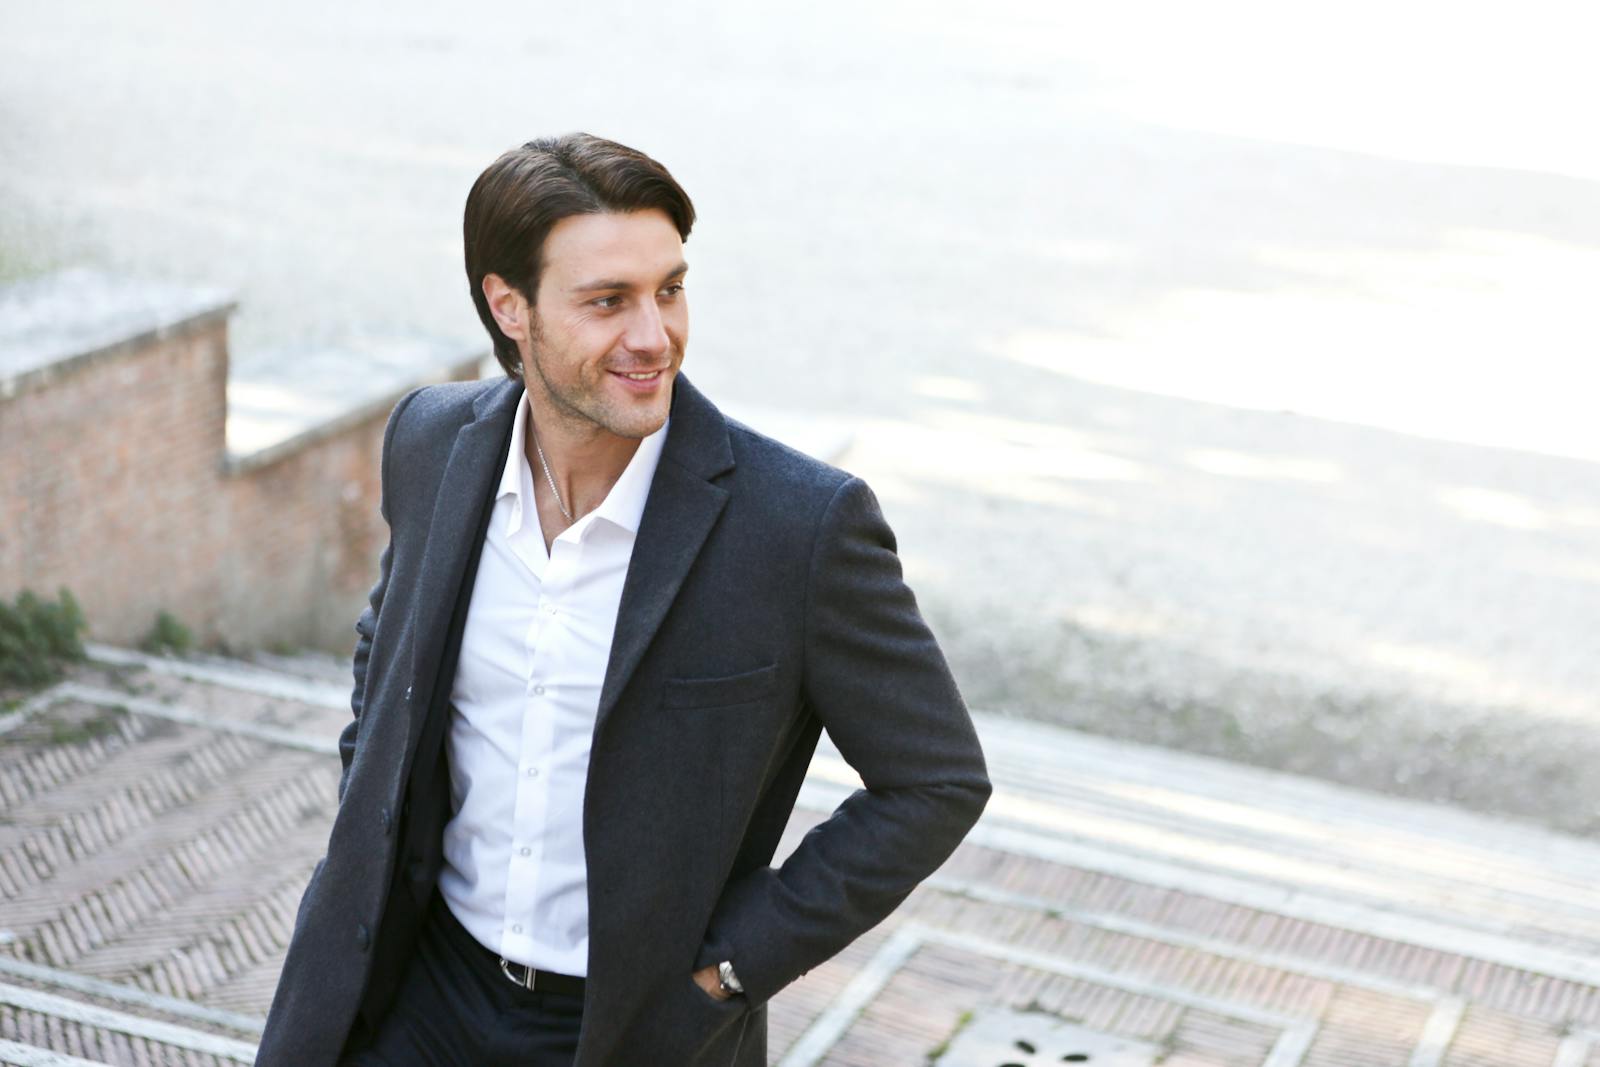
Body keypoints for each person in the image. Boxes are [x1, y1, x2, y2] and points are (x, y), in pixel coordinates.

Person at [256, 132, 991, 1067]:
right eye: (608, 301)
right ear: (508, 305)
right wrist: (373, 820)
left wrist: (731, 970)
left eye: (670, 289)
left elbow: (936, 780)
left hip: (632, 1031)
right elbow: (387, 644)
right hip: (415, 992)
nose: (654, 336)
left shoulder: (798, 527)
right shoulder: (431, 441)